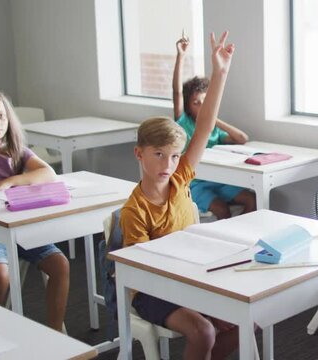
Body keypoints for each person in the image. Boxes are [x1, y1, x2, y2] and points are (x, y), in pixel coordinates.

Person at [120, 31, 239, 359]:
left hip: (191, 275)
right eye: (158, 155)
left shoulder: (180, 178)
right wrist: (197, 299)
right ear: (139, 154)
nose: (168, 164)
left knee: (247, 318)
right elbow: (145, 272)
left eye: (174, 156)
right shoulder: (135, 211)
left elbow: (203, 127)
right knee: (204, 330)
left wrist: (221, 73)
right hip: (152, 288)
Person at [0, 88, 69, 332]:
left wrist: (8, 182)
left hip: (19, 228)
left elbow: (49, 173)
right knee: (1, 277)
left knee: (60, 265)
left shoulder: (15, 151)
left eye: (1, 116)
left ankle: (55, 333)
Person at [173, 33, 255, 220]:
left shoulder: (213, 129)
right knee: (222, 210)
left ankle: (239, 237)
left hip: (219, 180)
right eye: (196, 102)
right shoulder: (183, 122)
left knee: (251, 199)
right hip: (196, 182)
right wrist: (181, 56)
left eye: (204, 101)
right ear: (187, 105)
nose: (201, 105)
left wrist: (213, 119)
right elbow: (177, 92)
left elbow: (242, 139)